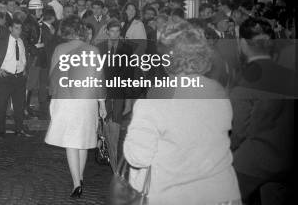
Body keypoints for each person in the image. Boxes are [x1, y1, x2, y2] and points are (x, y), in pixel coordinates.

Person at [123, 23, 241, 205]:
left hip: (173, 193)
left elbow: (138, 157)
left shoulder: (158, 97)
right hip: (220, 192)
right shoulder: (218, 92)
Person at [230, 18, 295, 203]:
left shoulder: (245, 80)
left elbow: (238, 131)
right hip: (287, 159)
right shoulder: (290, 75)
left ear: (242, 43)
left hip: (256, 159)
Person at [45, 15, 105, 198]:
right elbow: (99, 80)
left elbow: (52, 77)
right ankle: (80, 177)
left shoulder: (60, 49)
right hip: (87, 99)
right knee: (84, 141)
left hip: (65, 99)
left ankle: (76, 183)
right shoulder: (93, 50)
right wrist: (102, 103)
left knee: (71, 141)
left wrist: (52, 97)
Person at [95, 19, 134, 172]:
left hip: (119, 89)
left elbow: (130, 72)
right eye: (112, 31)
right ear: (107, 32)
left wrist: (129, 98)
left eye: (118, 31)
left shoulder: (127, 49)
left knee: (116, 120)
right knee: (104, 120)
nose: (115, 34)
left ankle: (114, 158)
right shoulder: (99, 48)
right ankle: (105, 150)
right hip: (103, 89)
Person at [0, 19, 33, 139]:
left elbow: (24, 57)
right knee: (2, 105)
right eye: (16, 28)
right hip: (5, 78)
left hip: (19, 78)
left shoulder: (21, 41)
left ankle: (19, 130)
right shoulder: (2, 41)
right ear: (10, 29)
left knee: (19, 106)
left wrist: (25, 68)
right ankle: (0, 131)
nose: (19, 31)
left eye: (20, 28)